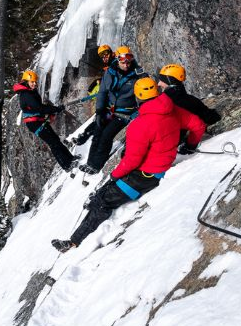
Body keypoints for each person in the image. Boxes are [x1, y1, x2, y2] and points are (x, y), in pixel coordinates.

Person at [52, 78, 205, 252]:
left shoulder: (140, 125)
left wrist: (115, 175)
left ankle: (73, 242)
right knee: (103, 194)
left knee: (104, 201)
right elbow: (198, 125)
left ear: (138, 97)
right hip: (155, 170)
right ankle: (90, 210)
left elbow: (132, 160)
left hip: (144, 176)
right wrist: (190, 146)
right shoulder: (172, 109)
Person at [79, 46, 147, 173]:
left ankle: (96, 165)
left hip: (124, 113)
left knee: (106, 135)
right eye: (123, 61)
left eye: (128, 61)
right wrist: (99, 111)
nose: (126, 64)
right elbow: (103, 92)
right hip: (109, 109)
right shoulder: (110, 72)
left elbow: (146, 96)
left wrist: (138, 113)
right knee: (98, 132)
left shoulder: (138, 75)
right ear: (117, 59)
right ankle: (90, 162)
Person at [14, 70, 76, 171]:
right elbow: (40, 108)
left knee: (55, 140)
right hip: (35, 123)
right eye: (32, 82)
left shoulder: (29, 92)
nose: (34, 84)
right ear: (26, 81)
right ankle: (67, 165)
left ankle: (70, 159)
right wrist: (55, 109)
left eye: (35, 82)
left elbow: (38, 109)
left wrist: (52, 111)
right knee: (53, 142)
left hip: (37, 121)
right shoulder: (26, 95)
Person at [156, 63, 221, 154]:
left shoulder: (158, 102)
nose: (158, 84)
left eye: (162, 80)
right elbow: (212, 117)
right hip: (173, 148)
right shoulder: (191, 101)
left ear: (169, 81)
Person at [70, 45, 116, 147]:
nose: (104, 57)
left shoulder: (116, 65)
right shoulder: (110, 67)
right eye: (102, 56)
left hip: (115, 103)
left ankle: (83, 137)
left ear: (110, 52)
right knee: (100, 118)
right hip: (111, 101)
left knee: (101, 119)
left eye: (106, 54)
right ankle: (83, 136)